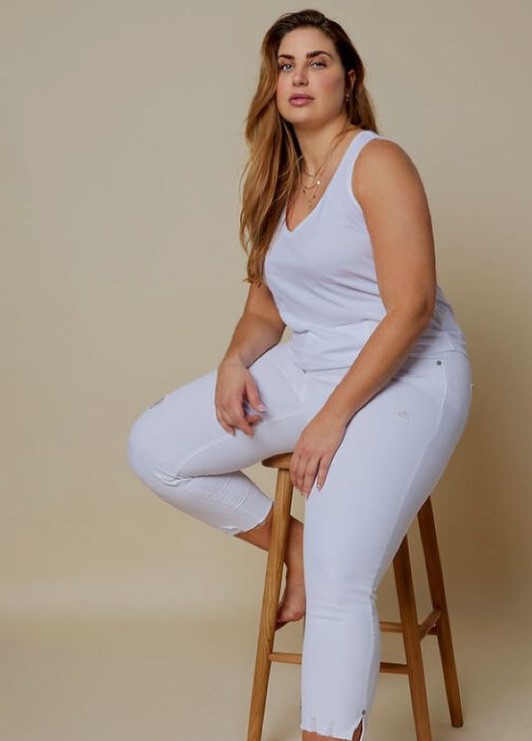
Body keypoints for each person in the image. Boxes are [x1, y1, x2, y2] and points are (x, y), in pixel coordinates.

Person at [127, 9, 473, 741]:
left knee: (344, 580)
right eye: (286, 65)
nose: (299, 77)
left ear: (349, 78)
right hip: (313, 363)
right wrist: (234, 360)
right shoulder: (277, 178)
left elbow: (411, 307)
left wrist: (331, 419)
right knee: (155, 446)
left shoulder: (377, 162)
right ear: (273, 85)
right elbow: (265, 309)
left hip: (409, 373)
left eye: (317, 62)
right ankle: (296, 552)